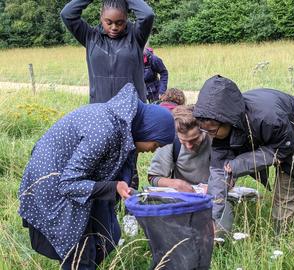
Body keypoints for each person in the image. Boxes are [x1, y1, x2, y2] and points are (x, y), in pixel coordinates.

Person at [18, 83, 175, 269]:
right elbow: (67, 184)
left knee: (109, 236)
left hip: (80, 181)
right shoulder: (105, 129)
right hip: (52, 187)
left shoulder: (123, 126)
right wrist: (113, 187)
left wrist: (122, 186)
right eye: (155, 144)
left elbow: (115, 166)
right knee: (80, 254)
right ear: (147, 129)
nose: (152, 150)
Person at [193, 75, 294, 235]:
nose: (210, 136)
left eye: (212, 131)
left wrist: (238, 164)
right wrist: (212, 220)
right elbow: (218, 173)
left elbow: (282, 149)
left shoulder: (268, 119)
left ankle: (282, 239)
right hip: (275, 135)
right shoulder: (223, 127)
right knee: (289, 185)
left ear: (227, 121)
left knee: (285, 187)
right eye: (205, 130)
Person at [61, 0, 154, 103]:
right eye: (108, 22)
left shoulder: (136, 37)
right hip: (100, 109)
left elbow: (147, 15)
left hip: (132, 110)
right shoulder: (90, 37)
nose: (114, 27)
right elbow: (67, 14)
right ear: (101, 18)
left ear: (126, 19)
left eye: (120, 23)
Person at [148, 105, 211, 193]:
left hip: (212, 195)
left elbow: (229, 177)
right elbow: (153, 177)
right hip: (181, 197)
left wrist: (214, 187)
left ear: (204, 131)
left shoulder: (214, 140)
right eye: (183, 140)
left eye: (194, 139)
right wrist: (175, 184)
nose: (189, 146)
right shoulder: (171, 142)